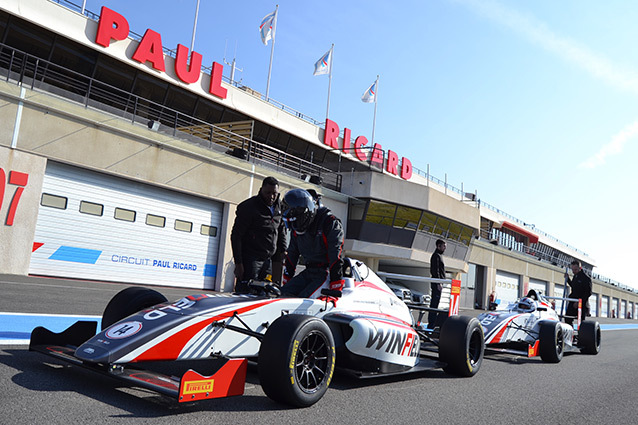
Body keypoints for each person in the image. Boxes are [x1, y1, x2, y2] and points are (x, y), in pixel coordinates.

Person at [280, 188, 344, 298]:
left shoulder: (329, 223)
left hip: (326, 273)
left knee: (304, 298)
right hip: (309, 272)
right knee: (281, 294)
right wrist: (287, 280)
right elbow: (292, 254)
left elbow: (335, 255)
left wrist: (335, 285)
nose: (294, 227)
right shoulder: (296, 230)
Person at [230, 176, 287, 292]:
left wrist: (283, 250)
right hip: (250, 260)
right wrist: (239, 263)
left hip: (267, 260)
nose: (271, 197)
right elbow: (236, 236)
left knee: (265, 292)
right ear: (261, 190)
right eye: (268, 193)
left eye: (274, 193)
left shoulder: (279, 207)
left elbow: (281, 230)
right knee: (247, 292)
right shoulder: (249, 207)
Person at [564, 260, 592, 325]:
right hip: (573, 300)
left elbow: (588, 292)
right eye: (572, 270)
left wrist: (579, 301)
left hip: (581, 303)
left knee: (581, 322)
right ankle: (571, 333)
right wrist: (568, 279)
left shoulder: (586, 278)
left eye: (575, 270)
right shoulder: (575, 276)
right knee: (568, 318)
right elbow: (573, 286)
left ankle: (581, 334)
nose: (574, 271)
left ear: (580, 268)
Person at [428, 239, 446, 328]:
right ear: (438, 246)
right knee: (434, 303)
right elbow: (435, 271)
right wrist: (438, 283)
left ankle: (432, 323)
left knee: (436, 303)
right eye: (443, 246)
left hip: (439, 282)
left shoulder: (439, 256)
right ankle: (431, 323)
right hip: (436, 283)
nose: (445, 248)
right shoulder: (436, 256)